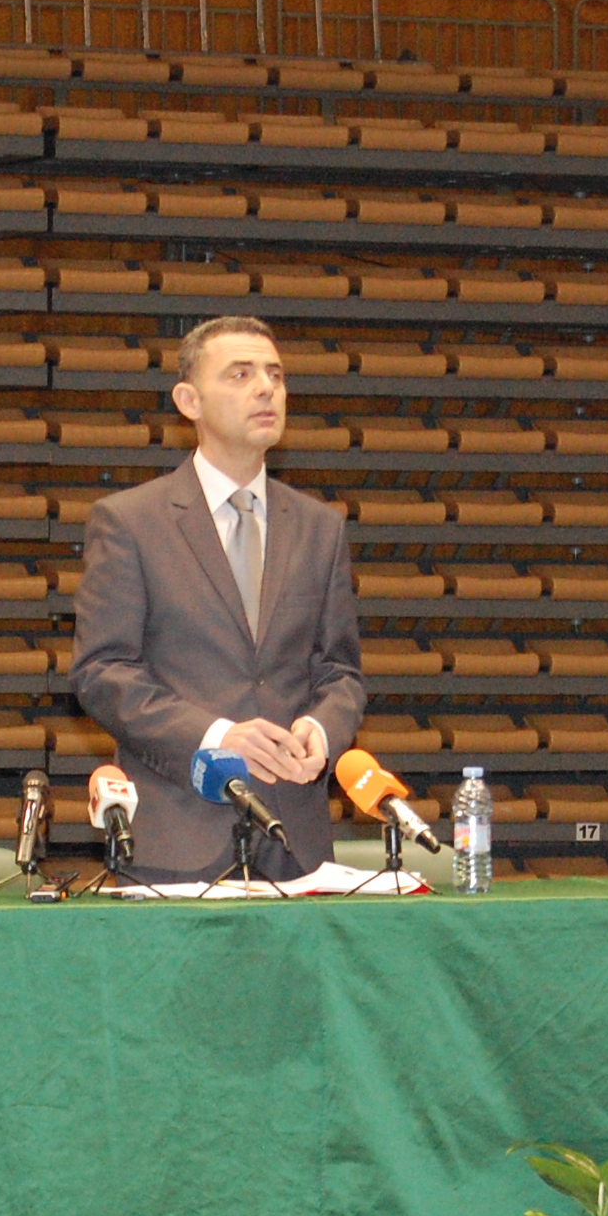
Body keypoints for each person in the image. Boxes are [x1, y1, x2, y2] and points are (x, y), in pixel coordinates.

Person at [72, 315, 366, 880]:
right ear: (189, 401)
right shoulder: (131, 522)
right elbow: (103, 671)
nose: (265, 389)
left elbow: (340, 671)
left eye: (275, 375)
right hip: (179, 837)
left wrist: (320, 730)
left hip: (296, 840)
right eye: (240, 374)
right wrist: (218, 738)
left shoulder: (319, 527)